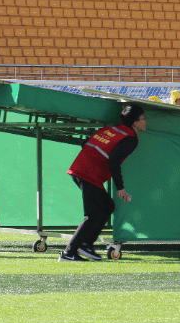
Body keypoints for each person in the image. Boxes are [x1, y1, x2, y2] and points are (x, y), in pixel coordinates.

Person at [60, 105, 146, 262]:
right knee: (92, 215)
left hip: (81, 168)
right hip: (88, 174)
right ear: (135, 123)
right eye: (143, 118)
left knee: (107, 206)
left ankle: (85, 245)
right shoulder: (131, 139)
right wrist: (120, 187)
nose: (146, 121)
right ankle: (68, 253)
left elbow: (86, 142)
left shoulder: (111, 129)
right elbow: (114, 160)